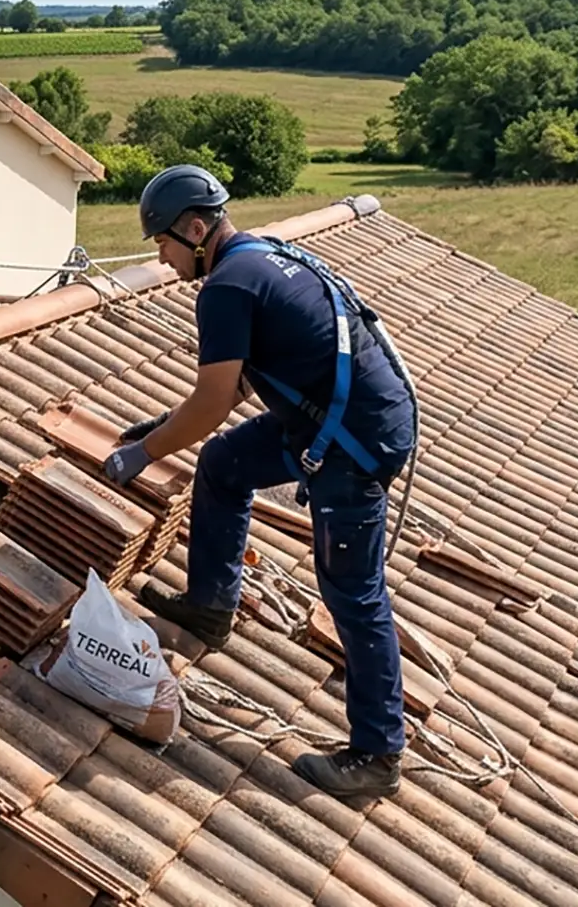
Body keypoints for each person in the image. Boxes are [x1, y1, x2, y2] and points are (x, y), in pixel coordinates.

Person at [101, 165, 419, 801]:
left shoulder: (224, 287)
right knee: (224, 464)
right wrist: (161, 426)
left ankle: (378, 755)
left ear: (195, 229)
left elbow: (216, 399)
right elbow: (247, 377)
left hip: (352, 446)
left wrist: (139, 458)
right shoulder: (264, 257)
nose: (162, 260)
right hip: (333, 421)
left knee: (354, 597)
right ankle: (212, 605)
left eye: (163, 243)